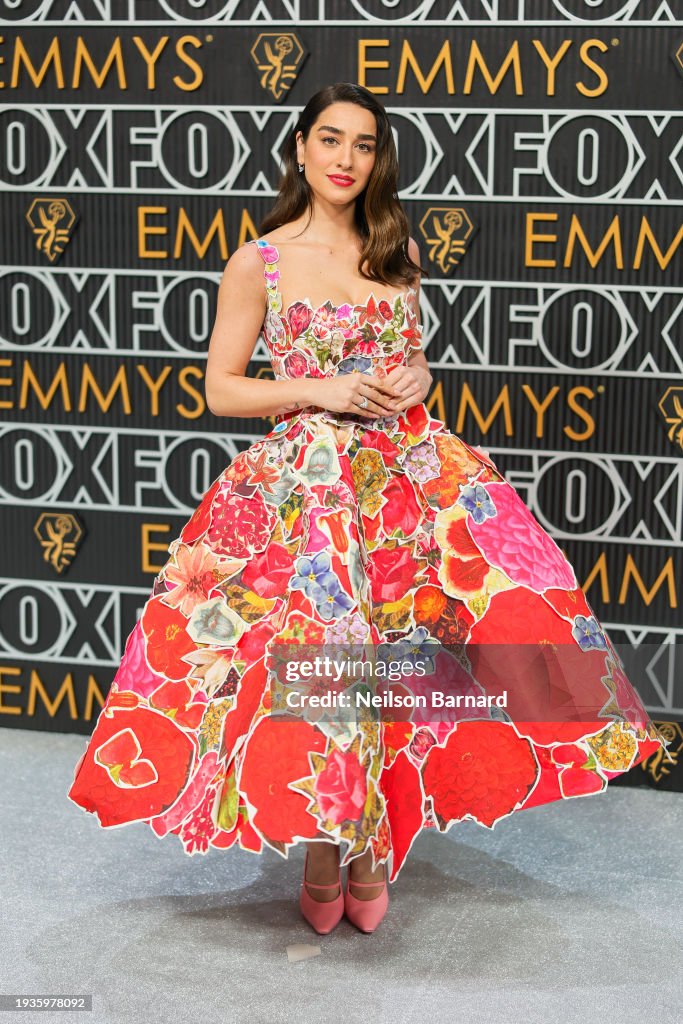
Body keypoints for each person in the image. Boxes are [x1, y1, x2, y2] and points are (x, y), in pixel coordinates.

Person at [67, 82, 670, 938]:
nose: (345, 159)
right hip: (309, 487)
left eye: (362, 144)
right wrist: (325, 388)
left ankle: (372, 842)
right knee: (322, 657)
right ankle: (324, 842)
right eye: (330, 140)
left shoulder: (396, 249)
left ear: (375, 158)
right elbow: (220, 388)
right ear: (301, 150)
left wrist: (417, 380)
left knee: (407, 652)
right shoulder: (260, 260)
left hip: (409, 478)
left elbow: (413, 362)